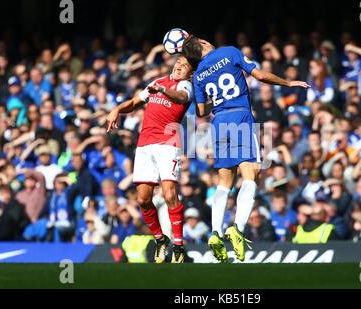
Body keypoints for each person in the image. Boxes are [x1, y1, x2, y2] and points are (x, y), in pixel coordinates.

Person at [182, 34, 309, 262]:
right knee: (251, 175)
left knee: (224, 183)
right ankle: (238, 229)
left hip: (218, 122)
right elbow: (259, 75)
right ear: (202, 44)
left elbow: (200, 111)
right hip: (239, 117)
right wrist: (288, 83)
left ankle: (215, 232)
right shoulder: (229, 51)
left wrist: (217, 98)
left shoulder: (199, 74)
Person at [106, 55, 194, 263]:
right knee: (143, 199)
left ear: (190, 72)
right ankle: (160, 239)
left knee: (169, 194)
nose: (180, 67)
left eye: (185, 66)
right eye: (178, 63)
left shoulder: (187, 86)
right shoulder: (157, 82)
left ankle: (179, 245)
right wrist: (117, 109)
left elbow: (180, 98)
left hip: (168, 144)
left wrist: (163, 91)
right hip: (145, 144)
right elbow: (136, 102)